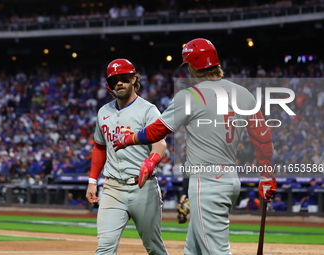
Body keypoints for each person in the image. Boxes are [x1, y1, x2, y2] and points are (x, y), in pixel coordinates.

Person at [113, 38, 277, 254]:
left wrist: (128, 138)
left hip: (207, 183)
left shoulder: (189, 96)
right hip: (229, 180)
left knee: (215, 250)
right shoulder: (242, 93)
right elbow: (263, 139)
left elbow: (157, 131)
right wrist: (266, 176)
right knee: (193, 249)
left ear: (192, 66)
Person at [85, 58, 169, 255]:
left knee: (154, 247)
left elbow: (160, 143)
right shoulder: (103, 112)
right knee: (104, 247)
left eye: (123, 78)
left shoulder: (148, 110)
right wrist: (91, 180)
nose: (119, 83)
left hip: (143, 187)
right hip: (113, 188)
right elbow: (99, 147)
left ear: (133, 79)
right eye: (114, 80)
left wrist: (152, 160)